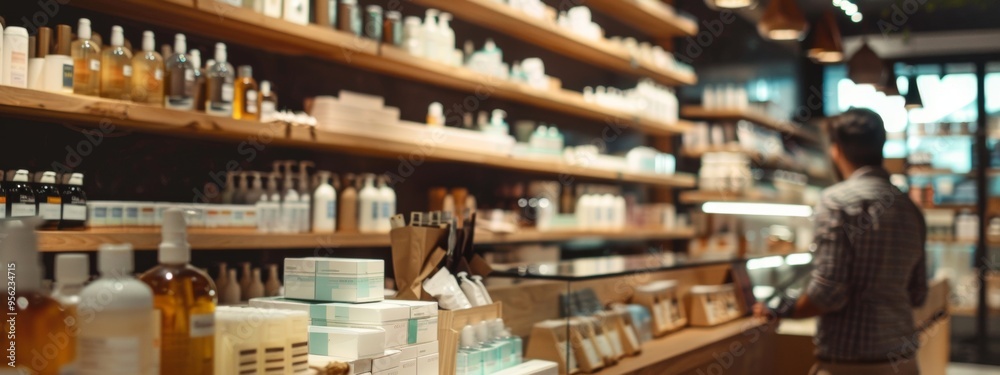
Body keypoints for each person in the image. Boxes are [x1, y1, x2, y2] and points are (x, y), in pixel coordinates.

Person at [754, 108, 928, 375]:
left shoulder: (836, 201)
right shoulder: (909, 208)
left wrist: (780, 310)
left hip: (851, 365)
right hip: (903, 362)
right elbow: (918, 294)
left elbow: (827, 293)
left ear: (836, 150)